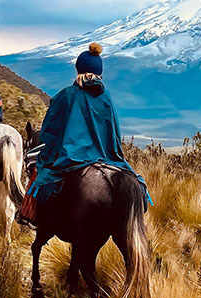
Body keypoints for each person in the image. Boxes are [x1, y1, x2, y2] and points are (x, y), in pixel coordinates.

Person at [16, 42, 148, 225]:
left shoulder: (66, 95)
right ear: (99, 72)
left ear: (78, 70)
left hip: (71, 156)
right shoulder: (106, 97)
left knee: (39, 171)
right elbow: (113, 134)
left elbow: (49, 132)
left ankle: (30, 216)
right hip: (105, 156)